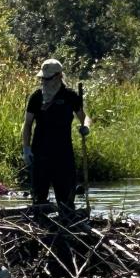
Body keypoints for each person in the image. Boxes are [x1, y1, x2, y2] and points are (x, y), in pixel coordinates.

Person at [21, 58, 89, 216]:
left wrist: (86, 127)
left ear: (59, 76)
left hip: (63, 154)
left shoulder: (69, 95)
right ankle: (39, 228)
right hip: (40, 154)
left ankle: (66, 226)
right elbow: (27, 124)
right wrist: (26, 149)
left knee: (66, 199)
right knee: (38, 199)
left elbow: (84, 117)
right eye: (42, 78)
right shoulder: (36, 97)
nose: (44, 81)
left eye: (48, 78)